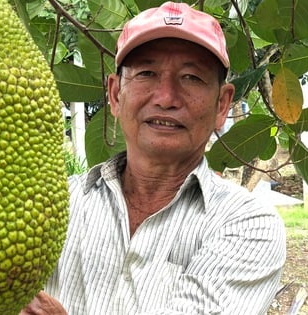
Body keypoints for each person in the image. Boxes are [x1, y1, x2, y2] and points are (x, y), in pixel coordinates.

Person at [20, 2, 286, 314]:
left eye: (191, 78)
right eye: (146, 73)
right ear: (116, 94)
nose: (166, 97)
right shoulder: (54, 204)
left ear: (222, 104)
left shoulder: (248, 225)